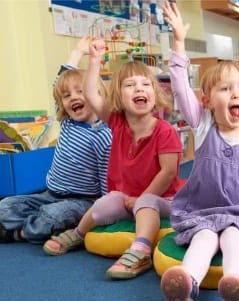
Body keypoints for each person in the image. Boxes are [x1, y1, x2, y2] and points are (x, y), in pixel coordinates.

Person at [160, 1, 239, 301]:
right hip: (204, 212)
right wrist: (178, 43)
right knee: (203, 240)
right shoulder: (202, 127)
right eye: (225, 89)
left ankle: (234, 288)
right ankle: (186, 288)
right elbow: (179, 88)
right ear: (206, 101)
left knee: (234, 239)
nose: (235, 94)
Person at [42, 37, 183, 280]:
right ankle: (78, 233)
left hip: (161, 198)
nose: (139, 89)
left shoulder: (165, 132)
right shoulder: (117, 122)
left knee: (146, 203)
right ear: (118, 96)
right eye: (130, 85)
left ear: (154, 92)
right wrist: (94, 60)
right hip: (127, 197)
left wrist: (142, 197)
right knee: (106, 202)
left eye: (145, 84)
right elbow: (90, 94)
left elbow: (168, 172)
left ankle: (140, 251)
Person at [0, 37, 112, 244]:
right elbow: (58, 84)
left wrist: (105, 211)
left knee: (52, 216)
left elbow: (107, 177)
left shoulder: (103, 135)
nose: (73, 98)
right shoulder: (68, 122)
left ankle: (19, 233)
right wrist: (77, 51)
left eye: (81, 92)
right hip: (49, 193)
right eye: (67, 96)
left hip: (82, 200)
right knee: (5, 205)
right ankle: (29, 222)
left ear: (96, 95)